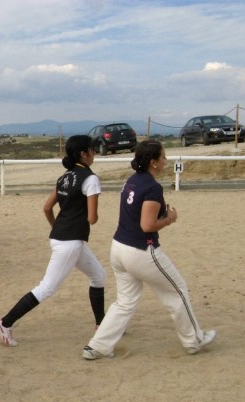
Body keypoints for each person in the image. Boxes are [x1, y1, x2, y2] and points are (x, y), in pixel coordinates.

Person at [82, 140, 217, 360]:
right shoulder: (153, 188)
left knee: (125, 302)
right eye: (163, 157)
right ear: (153, 162)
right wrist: (169, 219)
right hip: (140, 250)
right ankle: (194, 340)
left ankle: (97, 346)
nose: (165, 160)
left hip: (119, 247)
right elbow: (147, 225)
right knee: (178, 290)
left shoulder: (132, 180)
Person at [0, 135, 106, 347]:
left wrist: (57, 227)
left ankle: (102, 325)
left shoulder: (65, 177)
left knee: (98, 275)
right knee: (47, 287)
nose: (94, 153)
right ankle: (4, 323)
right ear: (84, 153)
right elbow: (92, 218)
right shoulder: (90, 179)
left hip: (62, 237)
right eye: (92, 149)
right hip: (70, 241)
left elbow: (47, 208)